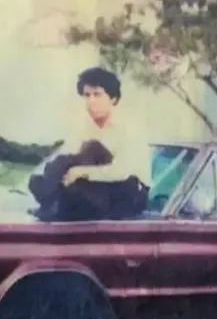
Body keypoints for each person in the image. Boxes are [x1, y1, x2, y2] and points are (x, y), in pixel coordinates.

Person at [28, 67, 152, 221]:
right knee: (62, 162)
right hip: (99, 187)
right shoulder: (85, 126)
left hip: (128, 192)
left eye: (97, 95)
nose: (91, 101)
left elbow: (121, 171)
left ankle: (55, 203)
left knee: (92, 148)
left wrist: (82, 172)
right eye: (87, 95)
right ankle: (50, 201)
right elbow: (67, 156)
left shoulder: (130, 128)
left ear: (113, 99)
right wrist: (62, 173)